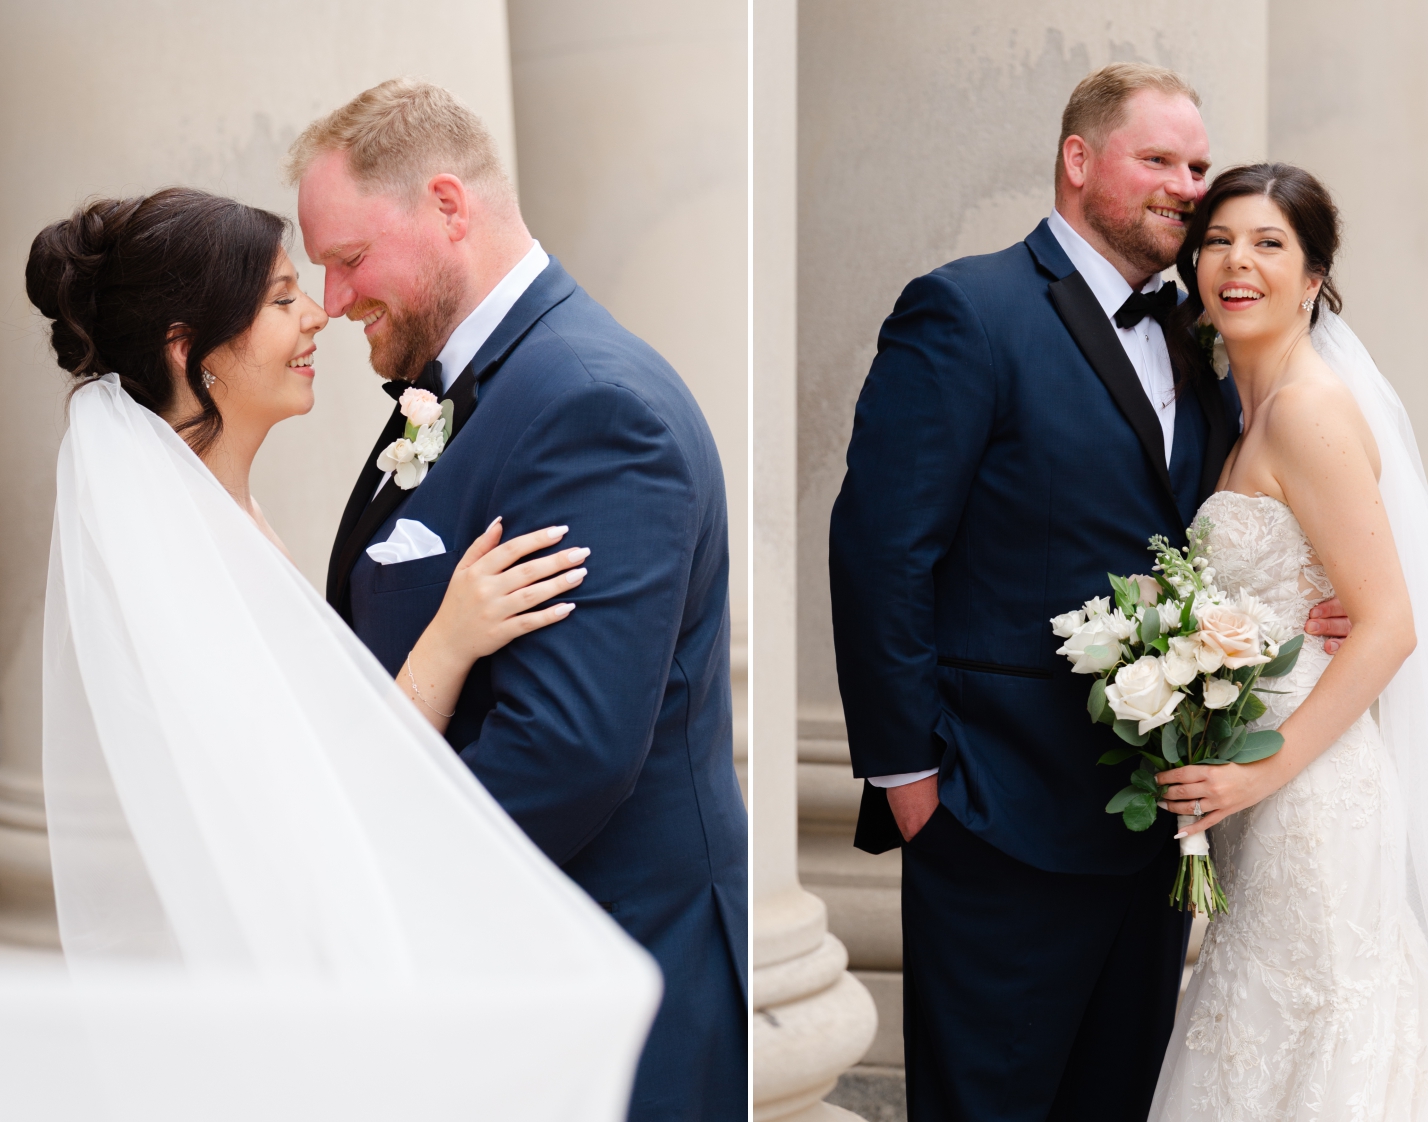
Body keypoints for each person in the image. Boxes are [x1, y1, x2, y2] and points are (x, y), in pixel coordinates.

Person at [25, 186, 660, 1119]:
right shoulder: (181, 563)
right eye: (283, 300)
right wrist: (447, 641)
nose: (319, 313)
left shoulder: (220, 520)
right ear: (185, 349)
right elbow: (309, 816)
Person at [826, 64, 1355, 1119]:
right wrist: (912, 784)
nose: (1186, 185)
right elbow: (881, 553)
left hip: (1151, 829)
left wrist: (1302, 617)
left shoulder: (1203, 341)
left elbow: (1209, 536)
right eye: (1157, 159)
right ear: (1079, 162)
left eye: (1197, 165)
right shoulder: (966, 312)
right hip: (993, 815)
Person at [287, 79, 747, 1122]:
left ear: (449, 206)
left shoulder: (592, 404)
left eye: (350, 257)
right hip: (524, 970)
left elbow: (568, 748)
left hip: (614, 976)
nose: (333, 293)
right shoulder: (477, 381)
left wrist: (379, 892)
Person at [1148, 164, 1428, 1118]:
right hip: (1258, 786)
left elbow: (1389, 626)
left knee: (1326, 1026)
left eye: (1269, 244)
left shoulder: (1307, 409)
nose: (1237, 262)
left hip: (1311, 792)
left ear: (1313, 280)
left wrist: (1259, 773)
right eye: (1218, 239)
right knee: (1258, 1028)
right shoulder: (1237, 408)